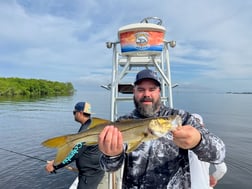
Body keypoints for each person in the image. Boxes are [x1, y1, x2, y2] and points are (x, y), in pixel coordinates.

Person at [98, 69, 226, 189]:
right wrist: (111, 156)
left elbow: (219, 154)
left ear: (159, 91)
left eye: (152, 89)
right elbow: (108, 168)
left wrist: (198, 141)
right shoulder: (122, 123)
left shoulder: (180, 118)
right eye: (141, 89)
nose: (146, 94)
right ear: (134, 92)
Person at [45, 102, 105, 189]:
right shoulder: (91, 125)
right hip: (94, 171)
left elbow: (74, 153)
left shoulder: (86, 130)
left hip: (89, 175)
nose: (73, 115)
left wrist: (55, 165)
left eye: (74, 112)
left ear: (80, 113)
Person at [189, 113, 227, 189]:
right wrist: (213, 178)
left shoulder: (174, 145)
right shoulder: (210, 146)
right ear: (202, 126)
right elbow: (222, 169)